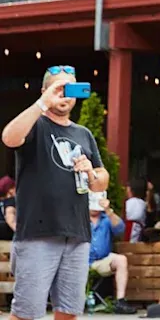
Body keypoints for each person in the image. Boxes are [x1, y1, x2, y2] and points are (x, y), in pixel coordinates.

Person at [2, 65, 111, 320]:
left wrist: (91, 173)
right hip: (38, 232)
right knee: (26, 313)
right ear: (45, 91)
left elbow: (102, 181)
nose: (64, 95)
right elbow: (9, 138)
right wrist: (42, 104)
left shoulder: (83, 133)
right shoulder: (35, 124)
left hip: (77, 233)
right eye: (58, 88)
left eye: (70, 88)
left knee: (69, 312)